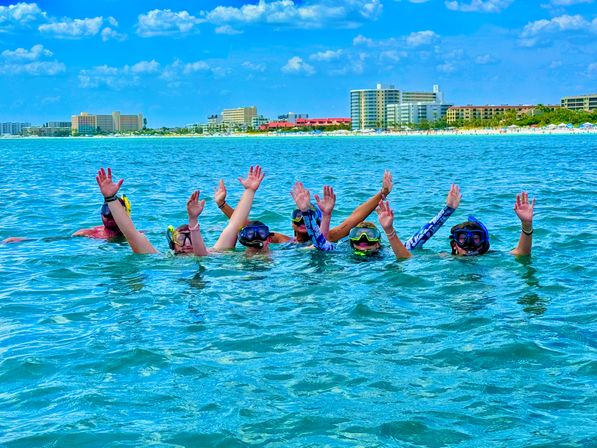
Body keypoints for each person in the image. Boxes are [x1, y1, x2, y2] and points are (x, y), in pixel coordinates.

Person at [95, 165, 267, 256]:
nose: (186, 244)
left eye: (190, 238)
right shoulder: (161, 259)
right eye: (181, 238)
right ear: (173, 244)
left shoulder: (216, 253)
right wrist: (110, 199)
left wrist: (249, 191)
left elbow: (234, 224)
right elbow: (131, 233)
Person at [213, 171, 394, 244]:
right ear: (291, 223)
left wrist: (382, 193)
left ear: (316, 220)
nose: (301, 220)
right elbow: (244, 225)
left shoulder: (329, 236)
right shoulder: (282, 240)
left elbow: (354, 218)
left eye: (305, 216)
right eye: (296, 216)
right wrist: (222, 204)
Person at [292, 181, 462, 259]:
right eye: (358, 234)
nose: (363, 239)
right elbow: (321, 243)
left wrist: (447, 210)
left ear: (379, 242)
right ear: (351, 241)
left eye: (369, 235)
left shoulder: (388, 252)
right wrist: (306, 212)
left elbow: (421, 237)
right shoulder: (341, 251)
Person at [448, 191, 535, 257]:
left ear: (483, 243)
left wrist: (526, 225)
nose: (469, 242)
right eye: (463, 238)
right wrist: (447, 211)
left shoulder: (490, 257)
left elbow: (522, 252)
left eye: (475, 238)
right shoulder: (445, 258)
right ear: (454, 245)